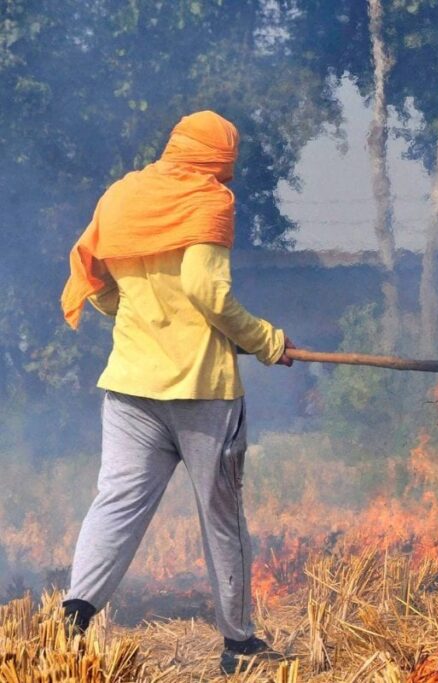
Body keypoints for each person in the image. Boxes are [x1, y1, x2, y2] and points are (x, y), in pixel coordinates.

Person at [60, 110, 293, 674]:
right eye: (226, 166)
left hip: (129, 386)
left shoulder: (121, 195)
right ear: (216, 160)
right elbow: (206, 291)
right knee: (222, 517)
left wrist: (134, 312)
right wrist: (265, 339)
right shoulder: (209, 200)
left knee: (115, 503)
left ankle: (69, 618)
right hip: (202, 391)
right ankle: (238, 644)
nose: (227, 179)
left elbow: (93, 278)